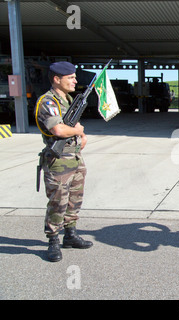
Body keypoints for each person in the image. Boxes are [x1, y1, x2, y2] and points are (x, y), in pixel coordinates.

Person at [35, 61, 92, 262]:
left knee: (74, 198)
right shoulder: (48, 102)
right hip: (58, 161)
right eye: (71, 77)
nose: (75, 80)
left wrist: (81, 137)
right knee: (58, 201)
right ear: (57, 79)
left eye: (74, 77)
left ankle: (70, 235)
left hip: (75, 157)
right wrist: (79, 131)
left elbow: (72, 126)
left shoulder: (68, 100)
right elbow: (58, 130)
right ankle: (53, 241)